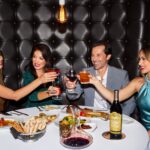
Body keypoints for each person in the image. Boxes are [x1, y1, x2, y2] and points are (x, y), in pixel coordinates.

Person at [86, 46, 150, 135]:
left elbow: (130, 104)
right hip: (144, 131)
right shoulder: (138, 82)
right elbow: (114, 98)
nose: (139, 63)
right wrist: (96, 82)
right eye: (139, 59)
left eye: (143, 59)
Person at [66, 41, 136, 116]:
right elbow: (72, 97)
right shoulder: (86, 73)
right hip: (91, 115)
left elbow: (130, 103)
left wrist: (119, 118)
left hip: (111, 116)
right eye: (92, 55)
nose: (94, 59)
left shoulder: (121, 75)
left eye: (98, 55)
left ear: (108, 56)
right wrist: (71, 88)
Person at [22, 43, 60, 108]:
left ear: (46, 60)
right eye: (34, 57)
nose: (36, 61)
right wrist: (49, 93)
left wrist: (65, 83)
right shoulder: (28, 74)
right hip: (33, 108)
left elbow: (58, 90)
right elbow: (32, 97)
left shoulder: (51, 73)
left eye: (41, 58)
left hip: (52, 107)